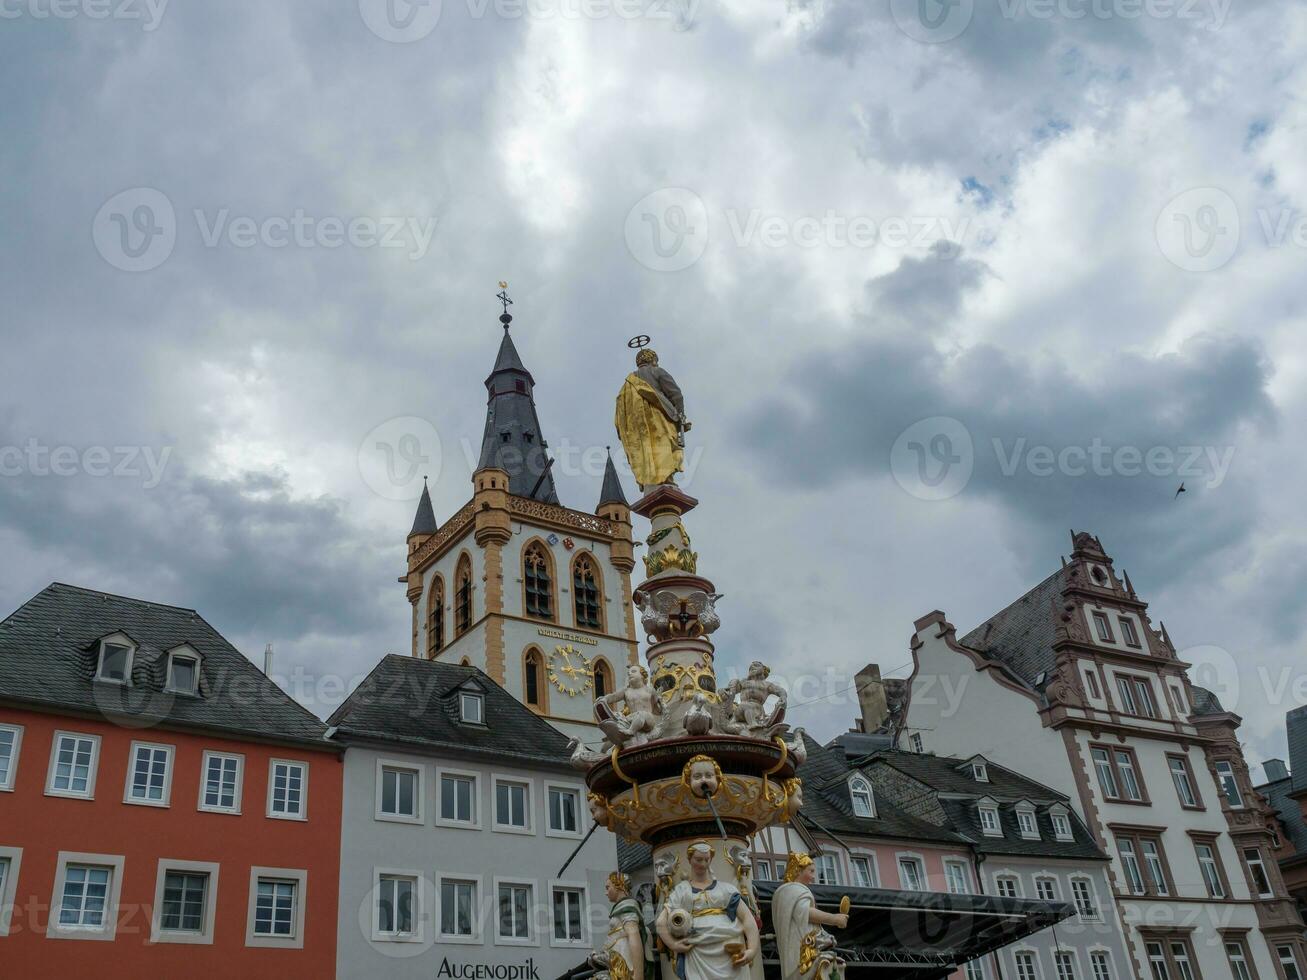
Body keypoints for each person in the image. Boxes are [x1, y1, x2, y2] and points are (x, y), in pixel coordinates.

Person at [657, 841, 759, 980]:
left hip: (729, 953)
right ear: (689, 860)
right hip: (697, 954)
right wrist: (673, 945)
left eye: (706, 859)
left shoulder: (726, 889)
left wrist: (752, 950)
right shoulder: (681, 891)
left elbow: (748, 919)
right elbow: (660, 923)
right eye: (698, 859)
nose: (703, 864)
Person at [771, 853, 848, 980]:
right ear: (798, 870)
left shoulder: (790, 891)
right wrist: (835, 919)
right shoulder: (794, 889)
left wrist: (826, 936)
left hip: (805, 950)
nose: (813, 877)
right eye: (810, 871)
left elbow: (808, 925)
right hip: (801, 953)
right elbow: (805, 912)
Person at [598, 872, 648, 980]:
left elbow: (634, 937)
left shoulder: (628, 907)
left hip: (624, 966)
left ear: (619, 886)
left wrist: (638, 975)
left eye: (608, 887)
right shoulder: (621, 908)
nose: (605, 893)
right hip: (617, 964)